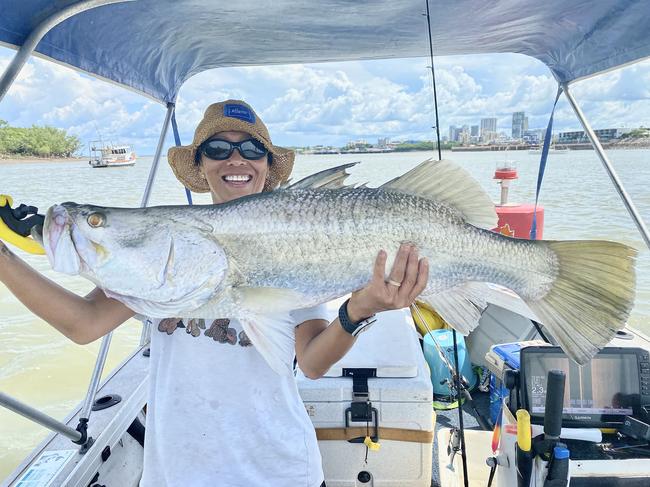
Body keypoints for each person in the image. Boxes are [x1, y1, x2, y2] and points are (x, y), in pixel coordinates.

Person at [0, 99, 429, 486]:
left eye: (251, 149)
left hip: (279, 472)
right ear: (202, 166)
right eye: (218, 150)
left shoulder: (299, 238)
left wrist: (359, 311)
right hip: (177, 474)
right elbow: (82, 324)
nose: (235, 159)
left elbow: (313, 363)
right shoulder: (163, 249)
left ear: (267, 163)